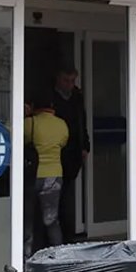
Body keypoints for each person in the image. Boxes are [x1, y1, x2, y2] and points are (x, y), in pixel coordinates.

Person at [25, 90, 69, 257]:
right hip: (54, 176)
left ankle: (25, 259)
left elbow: (7, 132)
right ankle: (59, 258)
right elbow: (63, 143)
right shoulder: (61, 125)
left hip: (32, 176)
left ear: (33, 106)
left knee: (27, 220)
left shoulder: (30, 123)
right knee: (51, 220)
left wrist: (23, 114)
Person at [51, 65, 90, 242]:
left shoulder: (77, 97)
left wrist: (85, 146)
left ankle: (67, 236)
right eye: (66, 80)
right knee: (54, 198)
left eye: (72, 81)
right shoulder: (51, 98)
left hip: (73, 152)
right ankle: (54, 238)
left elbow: (82, 121)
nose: (69, 85)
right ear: (58, 79)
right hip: (53, 152)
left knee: (67, 196)